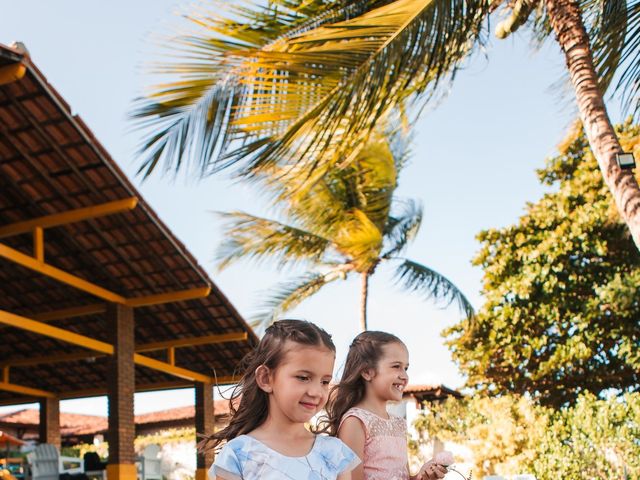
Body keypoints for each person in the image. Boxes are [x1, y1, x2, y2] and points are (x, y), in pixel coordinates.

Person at [204, 319, 360, 480]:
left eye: (324, 382)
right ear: (266, 378)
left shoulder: (335, 453)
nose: (316, 392)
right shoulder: (239, 453)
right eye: (303, 377)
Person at [325, 331, 448, 480]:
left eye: (406, 368)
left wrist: (421, 477)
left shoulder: (399, 423)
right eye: (396, 366)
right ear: (367, 372)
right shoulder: (355, 421)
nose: (405, 376)